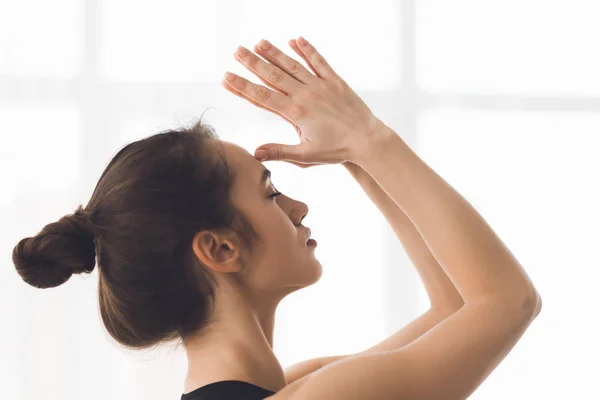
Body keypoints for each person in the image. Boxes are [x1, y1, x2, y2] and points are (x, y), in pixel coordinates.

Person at [13, 36, 542, 400]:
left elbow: (455, 308)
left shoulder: (297, 385)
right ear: (220, 249)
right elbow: (507, 302)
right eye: (271, 194)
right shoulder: (326, 393)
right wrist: (370, 138)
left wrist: (355, 156)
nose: (298, 208)